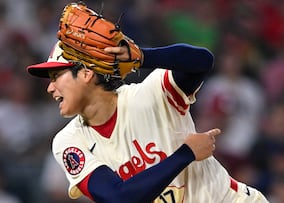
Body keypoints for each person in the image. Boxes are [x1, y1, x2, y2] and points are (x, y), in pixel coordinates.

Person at [26, 40, 269, 203]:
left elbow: (202, 61)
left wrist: (142, 56)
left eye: (57, 76)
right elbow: (119, 199)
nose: (50, 87)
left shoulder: (150, 94)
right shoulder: (68, 141)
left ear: (87, 73)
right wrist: (186, 154)